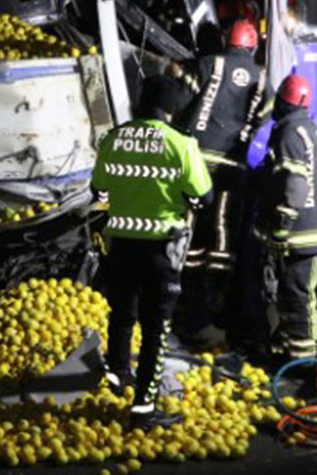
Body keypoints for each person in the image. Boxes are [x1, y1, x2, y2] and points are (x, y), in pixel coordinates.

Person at [91, 75, 213, 429]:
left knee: (122, 317)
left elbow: (98, 189)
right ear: (171, 109)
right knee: (156, 329)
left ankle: (117, 382)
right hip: (161, 250)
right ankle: (143, 410)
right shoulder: (180, 144)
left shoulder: (113, 140)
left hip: (121, 248)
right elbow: (202, 197)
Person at [176, 19, 272, 345]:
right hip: (232, 168)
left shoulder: (207, 64)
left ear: (225, 40)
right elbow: (265, 117)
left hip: (195, 162)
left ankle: (186, 306)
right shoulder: (263, 80)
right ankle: (217, 303)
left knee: (189, 229)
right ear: (253, 45)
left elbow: (177, 100)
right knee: (222, 234)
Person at [256, 73, 317, 362]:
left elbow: (296, 185)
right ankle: (292, 353)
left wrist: (280, 226)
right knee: (294, 297)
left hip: (297, 234)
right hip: (309, 231)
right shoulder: (311, 130)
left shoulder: (288, 133)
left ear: (283, 103)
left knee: (298, 299)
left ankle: (307, 362)